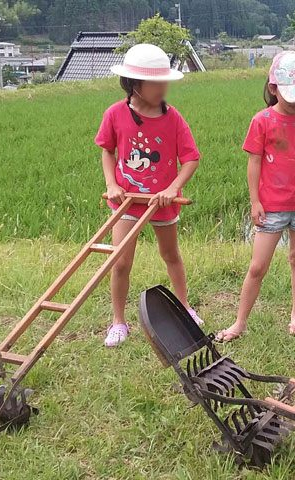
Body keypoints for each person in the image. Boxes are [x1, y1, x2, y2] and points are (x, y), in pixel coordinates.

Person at [95, 44, 202, 348]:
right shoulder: (115, 114)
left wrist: (172, 188)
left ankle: (184, 308)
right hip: (126, 201)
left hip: (162, 202)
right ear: (134, 85)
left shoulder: (173, 118)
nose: (163, 88)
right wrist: (112, 183)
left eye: (165, 81)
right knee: (120, 262)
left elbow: (191, 158)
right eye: (156, 82)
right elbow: (107, 150)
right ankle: (118, 322)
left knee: (170, 255)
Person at [217, 51, 295, 342]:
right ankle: (240, 322)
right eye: (292, 94)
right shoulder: (262, 121)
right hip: (272, 207)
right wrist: (255, 201)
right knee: (257, 266)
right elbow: (254, 163)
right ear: (273, 88)